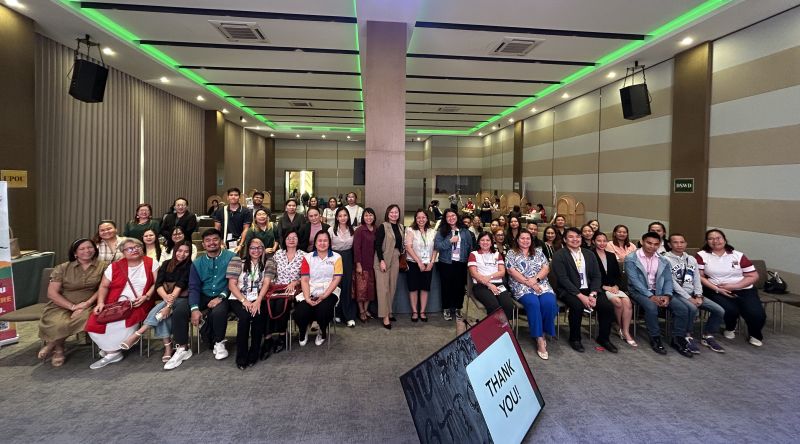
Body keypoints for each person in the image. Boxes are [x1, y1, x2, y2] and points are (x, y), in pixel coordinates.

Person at [85, 238, 158, 369]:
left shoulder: (151, 263)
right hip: (114, 303)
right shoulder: (114, 266)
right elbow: (103, 286)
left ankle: (111, 353)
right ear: (123, 252)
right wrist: (100, 302)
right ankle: (112, 351)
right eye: (130, 248)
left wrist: (146, 296)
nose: (135, 250)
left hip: (139, 303)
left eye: (137, 247)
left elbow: (157, 283)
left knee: (123, 323)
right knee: (95, 322)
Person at [122, 241, 192, 367]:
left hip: (182, 298)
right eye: (179, 250)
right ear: (175, 250)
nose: (182, 254)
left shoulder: (190, 266)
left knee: (162, 311)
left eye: (186, 251)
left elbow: (180, 286)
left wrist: (168, 306)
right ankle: (168, 347)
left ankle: (139, 333)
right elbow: (158, 284)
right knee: (162, 315)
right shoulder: (166, 264)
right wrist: (166, 300)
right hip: (166, 296)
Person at [37, 239, 106, 367]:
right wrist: (73, 307)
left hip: (90, 303)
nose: (87, 251)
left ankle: (53, 345)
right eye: (82, 249)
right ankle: (58, 348)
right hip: (62, 303)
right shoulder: (62, 268)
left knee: (81, 319)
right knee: (57, 323)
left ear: (95, 250)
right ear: (75, 253)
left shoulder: (103, 266)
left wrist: (86, 304)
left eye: (90, 247)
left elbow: (103, 288)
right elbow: (52, 293)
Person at [696, 229, 766, 347]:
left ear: (724, 239)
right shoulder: (702, 255)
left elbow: (753, 275)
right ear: (707, 241)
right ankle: (730, 327)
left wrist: (735, 286)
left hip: (744, 288)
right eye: (711, 238)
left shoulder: (738, 255)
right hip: (715, 289)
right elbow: (699, 276)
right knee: (730, 309)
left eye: (718, 238)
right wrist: (718, 289)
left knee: (756, 313)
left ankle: (755, 334)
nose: (715, 241)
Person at [625, 232, 691, 357]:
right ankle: (655, 338)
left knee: (682, 309)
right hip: (639, 291)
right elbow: (635, 282)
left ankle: (678, 339)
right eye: (649, 243)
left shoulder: (663, 259)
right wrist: (651, 296)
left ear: (660, 245)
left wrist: (667, 295)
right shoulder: (631, 258)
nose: (652, 246)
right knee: (651, 307)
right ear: (642, 242)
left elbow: (668, 280)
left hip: (659, 291)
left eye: (656, 244)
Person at [551, 228, 617, 353]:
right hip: (568, 290)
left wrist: (593, 293)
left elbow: (597, 276)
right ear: (565, 240)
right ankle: (575, 339)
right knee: (577, 306)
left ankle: (604, 338)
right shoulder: (559, 255)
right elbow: (563, 279)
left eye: (578, 236)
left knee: (607, 306)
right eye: (571, 237)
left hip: (590, 289)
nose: (575, 239)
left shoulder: (589, 254)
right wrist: (581, 296)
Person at [665, 233, 726, 353]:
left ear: (686, 244)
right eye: (675, 242)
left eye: (682, 242)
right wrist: (689, 298)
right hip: (677, 293)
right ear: (669, 244)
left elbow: (697, 278)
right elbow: (671, 283)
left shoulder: (691, 259)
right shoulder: (665, 259)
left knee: (719, 310)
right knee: (692, 308)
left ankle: (708, 335)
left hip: (693, 293)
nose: (679, 245)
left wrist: (698, 294)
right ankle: (687, 335)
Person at [183, 229, 237, 361]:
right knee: (181, 309)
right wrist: (194, 308)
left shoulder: (231, 257)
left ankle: (219, 342)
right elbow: (194, 287)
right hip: (204, 294)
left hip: (223, 293)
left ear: (221, 242)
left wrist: (221, 297)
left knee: (218, 311)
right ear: (203, 244)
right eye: (207, 240)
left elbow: (232, 282)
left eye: (215, 239)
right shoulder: (197, 263)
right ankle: (181, 347)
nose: (211, 243)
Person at [505, 231, 558, 360]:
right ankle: (539, 338)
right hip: (521, 286)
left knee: (549, 303)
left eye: (527, 238)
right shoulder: (511, 253)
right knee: (533, 304)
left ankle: (544, 330)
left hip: (541, 284)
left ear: (531, 240)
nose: (525, 240)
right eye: (522, 238)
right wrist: (529, 283)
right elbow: (511, 271)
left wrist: (536, 280)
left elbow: (546, 268)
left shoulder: (539, 252)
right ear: (517, 240)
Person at [226, 237, 269, 369]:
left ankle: (254, 353)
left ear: (263, 249)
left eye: (259, 247)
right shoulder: (237, 261)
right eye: (252, 248)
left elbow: (266, 283)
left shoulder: (268, 263)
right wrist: (244, 301)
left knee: (257, 317)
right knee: (244, 317)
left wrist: (258, 301)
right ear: (247, 249)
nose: (256, 250)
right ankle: (241, 356)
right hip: (238, 298)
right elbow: (232, 285)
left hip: (257, 298)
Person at [297, 231, 343, 346]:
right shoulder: (307, 258)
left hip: (330, 291)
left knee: (323, 309)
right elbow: (305, 280)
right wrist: (307, 298)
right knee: (301, 311)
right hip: (310, 289)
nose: (322, 243)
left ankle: (322, 332)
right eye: (320, 240)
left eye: (325, 240)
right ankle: (303, 331)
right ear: (315, 243)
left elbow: (336, 279)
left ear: (329, 242)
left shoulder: (337, 257)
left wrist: (324, 295)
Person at [263, 229, 304, 355]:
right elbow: (270, 272)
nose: (291, 240)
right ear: (284, 240)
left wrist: (296, 282)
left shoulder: (304, 255)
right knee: (267, 304)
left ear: (298, 240)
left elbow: (307, 276)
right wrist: (269, 283)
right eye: (288, 238)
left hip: (293, 288)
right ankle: (268, 338)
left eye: (294, 237)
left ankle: (281, 336)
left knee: (281, 303)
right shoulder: (277, 254)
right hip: (276, 287)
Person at [592, 232, 636, 347]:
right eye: (599, 241)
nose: (602, 243)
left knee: (627, 302)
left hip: (614, 287)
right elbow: (589, 276)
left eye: (604, 241)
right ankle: (618, 326)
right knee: (617, 302)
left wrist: (616, 286)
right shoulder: (590, 255)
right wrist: (604, 287)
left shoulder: (611, 255)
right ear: (593, 241)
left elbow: (618, 275)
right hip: (600, 287)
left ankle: (625, 331)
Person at [434, 208, 473, 321]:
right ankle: (446, 308)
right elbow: (437, 246)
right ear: (445, 219)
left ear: (457, 216)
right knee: (446, 287)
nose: (451, 218)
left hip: (461, 262)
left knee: (459, 287)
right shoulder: (442, 231)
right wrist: (450, 241)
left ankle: (458, 308)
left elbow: (470, 247)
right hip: (446, 263)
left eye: (453, 215)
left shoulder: (465, 231)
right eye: (448, 216)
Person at [469, 232, 515, 322]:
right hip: (480, 285)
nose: (485, 242)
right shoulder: (474, 254)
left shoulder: (497, 254)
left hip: (499, 284)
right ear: (478, 242)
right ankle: (494, 331)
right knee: (494, 306)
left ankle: (504, 328)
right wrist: (489, 284)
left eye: (487, 240)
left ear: (491, 242)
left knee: (508, 305)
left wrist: (489, 277)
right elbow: (474, 274)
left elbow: (502, 272)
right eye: (482, 240)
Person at [374, 204, 404, 329]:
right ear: (388, 213)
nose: (394, 214)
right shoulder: (383, 226)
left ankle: (389, 311)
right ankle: (385, 316)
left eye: (396, 212)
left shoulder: (401, 227)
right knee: (383, 289)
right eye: (391, 212)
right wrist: (381, 260)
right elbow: (377, 245)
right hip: (383, 259)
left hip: (395, 257)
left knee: (392, 287)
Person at [405, 209, 438, 323]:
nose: (421, 220)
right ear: (415, 219)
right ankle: (415, 312)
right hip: (413, 263)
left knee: (425, 288)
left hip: (428, 264)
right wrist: (419, 262)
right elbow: (408, 247)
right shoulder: (410, 230)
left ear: (427, 218)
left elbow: (435, 248)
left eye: (423, 217)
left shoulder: (432, 231)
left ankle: (422, 312)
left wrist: (432, 262)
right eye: (418, 217)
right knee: (413, 288)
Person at [329, 207, 356, 327]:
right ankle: (337, 313)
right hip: (335, 259)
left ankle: (348, 315)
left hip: (348, 258)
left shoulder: (353, 230)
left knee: (347, 285)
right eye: (340, 216)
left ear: (348, 217)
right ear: (336, 217)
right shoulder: (331, 230)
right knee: (336, 285)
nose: (342, 218)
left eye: (345, 215)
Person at [353, 208, 378, 322]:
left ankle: (366, 309)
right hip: (362, 264)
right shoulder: (359, 230)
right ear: (363, 217)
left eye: (371, 215)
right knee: (361, 290)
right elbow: (356, 248)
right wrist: (358, 264)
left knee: (370, 290)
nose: (369, 218)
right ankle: (361, 311)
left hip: (373, 264)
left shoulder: (376, 230)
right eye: (366, 215)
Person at [214, 187, 253, 254]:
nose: (233, 197)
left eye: (236, 195)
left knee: (239, 263)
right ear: (227, 197)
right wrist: (219, 242)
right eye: (231, 195)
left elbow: (246, 229)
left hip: (240, 242)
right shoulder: (221, 211)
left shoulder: (246, 211)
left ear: (239, 197)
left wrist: (241, 244)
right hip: (224, 243)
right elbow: (217, 228)